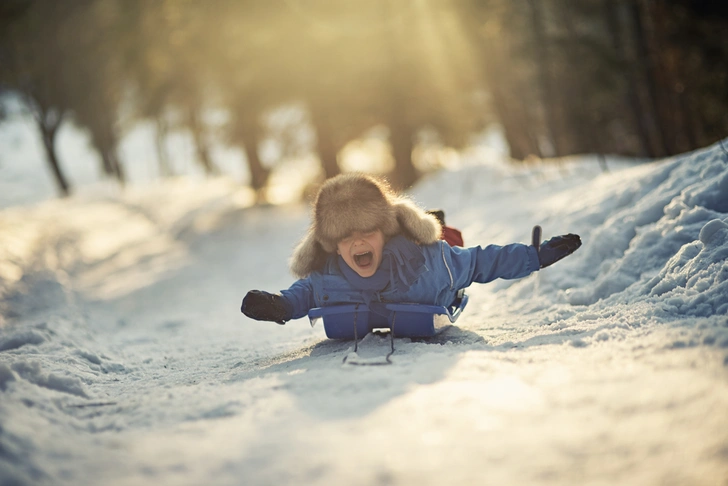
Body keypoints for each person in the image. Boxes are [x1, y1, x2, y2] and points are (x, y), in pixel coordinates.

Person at [241, 173, 581, 325]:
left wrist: (534, 256)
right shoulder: (329, 274)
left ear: (385, 232)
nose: (358, 243)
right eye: (346, 238)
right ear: (332, 246)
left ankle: (438, 223)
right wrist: (281, 305)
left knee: (448, 242)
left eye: (367, 231)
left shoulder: (430, 264)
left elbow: (480, 262)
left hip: (434, 279)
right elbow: (305, 293)